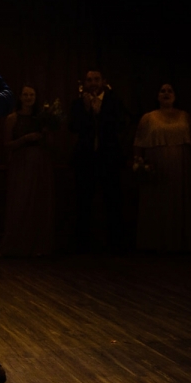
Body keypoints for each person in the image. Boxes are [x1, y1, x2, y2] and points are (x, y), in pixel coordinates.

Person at [68, 70, 129, 253]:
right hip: (85, 159)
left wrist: (99, 112)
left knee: (113, 202)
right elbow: (73, 128)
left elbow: (120, 126)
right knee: (83, 203)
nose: (93, 83)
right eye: (89, 80)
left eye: (96, 79)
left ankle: (116, 245)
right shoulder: (78, 104)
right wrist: (87, 111)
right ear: (84, 83)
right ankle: (82, 246)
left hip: (109, 158)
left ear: (103, 81)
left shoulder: (114, 101)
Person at [132, 83, 191, 252]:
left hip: (179, 167)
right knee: (157, 203)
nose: (166, 93)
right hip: (156, 166)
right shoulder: (148, 118)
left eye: (170, 91)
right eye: (162, 91)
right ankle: (154, 243)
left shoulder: (185, 116)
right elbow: (138, 143)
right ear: (157, 96)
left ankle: (178, 243)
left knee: (177, 201)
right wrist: (139, 163)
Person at [0, 85, 55, 257]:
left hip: (40, 165)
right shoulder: (13, 118)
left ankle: (38, 246)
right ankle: (15, 245)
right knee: (20, 202)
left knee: (38, 203)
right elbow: (7, 144)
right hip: (21, 164)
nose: (28, 97)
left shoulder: (43, 119)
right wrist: (25, 139)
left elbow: (51, 144)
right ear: (20, 97)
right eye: (25, 94)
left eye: (32, 94)